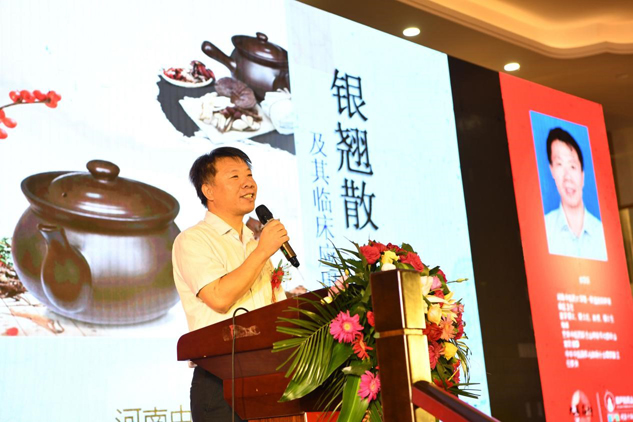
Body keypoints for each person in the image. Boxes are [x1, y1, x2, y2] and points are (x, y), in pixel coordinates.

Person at [172, 146, 290, 422]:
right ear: (208, 191)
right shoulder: (193, 240)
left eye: (249, 175)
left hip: (268, 374)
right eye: (235, 176)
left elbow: (276, 312)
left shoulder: (255, 244)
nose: (248, 183)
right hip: (220, 378)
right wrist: (263, 251)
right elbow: (219, 298)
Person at [543, 127, 607, 261]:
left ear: (582, 175)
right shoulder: (544, 229)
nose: (567, 177)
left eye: (572, 166)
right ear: (552, 170)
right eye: (559, 164)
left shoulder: (602, 233)